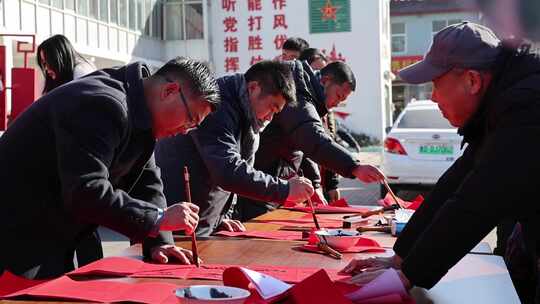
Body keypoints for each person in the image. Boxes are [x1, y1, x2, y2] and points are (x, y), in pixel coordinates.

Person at [341, 22, 540, 303]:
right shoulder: (503, 104)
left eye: (435, 84)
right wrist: (399, 259)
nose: (433, 96)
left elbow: (476, 202)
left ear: (472, 80)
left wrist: (407, 276)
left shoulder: (527, 109)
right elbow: (457, 182)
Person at [0, 57, 220, 279]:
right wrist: (158, 218)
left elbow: (147, 182)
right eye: (190, 120)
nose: (185, 131)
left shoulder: (140, 108)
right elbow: (85, 190)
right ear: (170, 91)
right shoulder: (103, 104)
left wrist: (159, 242)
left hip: (53, 231)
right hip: (16, 230)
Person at [155, 60, 314, 237]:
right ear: (253, 88)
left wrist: (221, 217)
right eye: (271, 107)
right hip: (172, 220)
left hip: (201, 220)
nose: (270, 117)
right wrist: (284, 189)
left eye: (276, 113)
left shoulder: (246, 112)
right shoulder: (217, 104)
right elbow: (227, 169)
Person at [236, 60, 385, 221]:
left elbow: (304, 148)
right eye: (338, 96)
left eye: (342, 101)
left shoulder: (308, 98)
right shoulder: (299, 96)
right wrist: (354, 166)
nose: (336, 103)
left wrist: (315, 185)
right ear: (325, 80)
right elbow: (313, 139)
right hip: (260, 183)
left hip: (273, 182)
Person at [37, 34, 100, 268]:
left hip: (82, 162)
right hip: (66, 162)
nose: (47, 68)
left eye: (48, 61)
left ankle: (90, 274)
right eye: (42, 63)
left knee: (82, 223)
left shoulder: (82, 75)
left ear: (60, 56)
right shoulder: (65, 80)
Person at [298, 48, 340, 202]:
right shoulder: (300, 106)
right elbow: (308, 145)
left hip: (320, 183)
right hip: (302, 185)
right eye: (317, 72)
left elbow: (329, 143)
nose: (322, 79)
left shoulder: (327, 108)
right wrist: (315, 185)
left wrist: (332, 184)